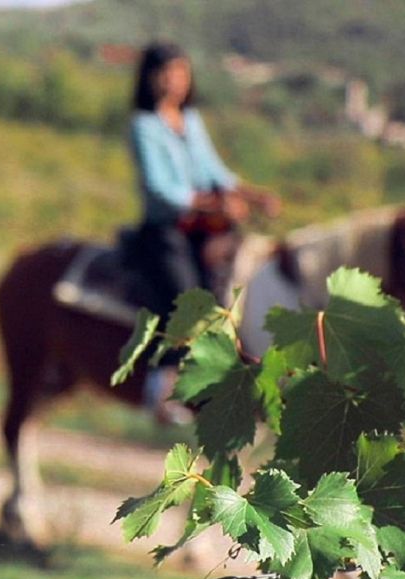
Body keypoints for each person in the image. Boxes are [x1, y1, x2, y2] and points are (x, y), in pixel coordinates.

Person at [128, 41, 279, 423]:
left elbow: (215, 171)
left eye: (180, 72)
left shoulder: (190, 121)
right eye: (165, 72)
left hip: (203, 229)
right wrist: (212, 204)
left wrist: (251, 196)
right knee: (186, 299)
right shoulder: (143, 126)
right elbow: (161, 188)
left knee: (238, 283)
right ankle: (162, 387)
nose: (173, 81)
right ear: (148, 78)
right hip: (167, 230)